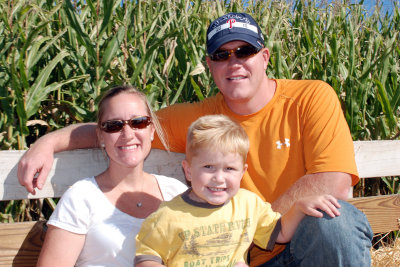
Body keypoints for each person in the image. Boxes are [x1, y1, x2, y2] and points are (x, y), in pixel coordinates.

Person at [19, 12, 372, 266]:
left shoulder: (311, 98)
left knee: (336, 221)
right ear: (210, 64)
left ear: (265, 57)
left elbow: (333, 184)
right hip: (237, 258)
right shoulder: (201, 119)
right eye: (222, 55)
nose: (234, 62)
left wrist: (243, 228)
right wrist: (48, 142)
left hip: (296, 249)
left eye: (244, 51)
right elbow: (127, 128)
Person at [134, 115, 341, 267]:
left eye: (229, 169)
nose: (219, 177)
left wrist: (299, 207)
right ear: (188, 170)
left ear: (242, 173)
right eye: (208, 167)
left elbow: (280, 233)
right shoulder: (168, 216)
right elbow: (147, 257)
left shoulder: (247, 204)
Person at [36, 85, 187, 267]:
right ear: (100, 136)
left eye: (138, 122)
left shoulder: (176, 192)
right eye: (114, 126)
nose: (128, 134)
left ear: (152, 130)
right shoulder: (81, 197)